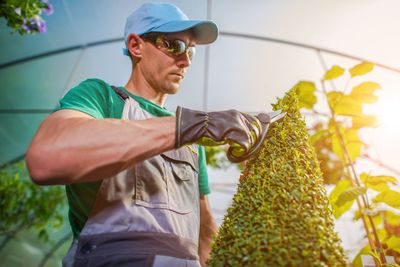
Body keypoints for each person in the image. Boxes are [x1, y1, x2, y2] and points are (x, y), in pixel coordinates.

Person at [26, 2, 271, 267]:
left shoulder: (192, 140)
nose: (186, 60)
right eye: (175, 45)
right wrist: (194, 125)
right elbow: (47, 157)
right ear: (136, 46)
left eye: (191, 51)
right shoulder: (101, 97)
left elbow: (205, 228)